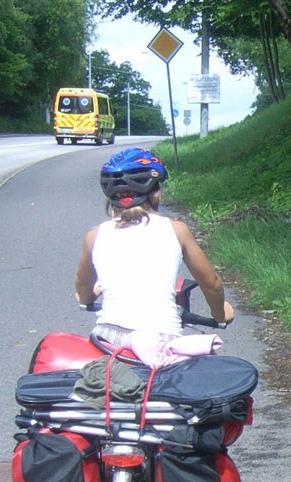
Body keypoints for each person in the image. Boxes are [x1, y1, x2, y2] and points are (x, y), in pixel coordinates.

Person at [74, 147, 234, 351]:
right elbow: (211, 284)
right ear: (155, 193)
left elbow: (83, 287)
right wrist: (220, 313)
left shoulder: (94, 236)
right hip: (163, 339)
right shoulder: (177, 230)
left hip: (108, 339)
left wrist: (88, 295)